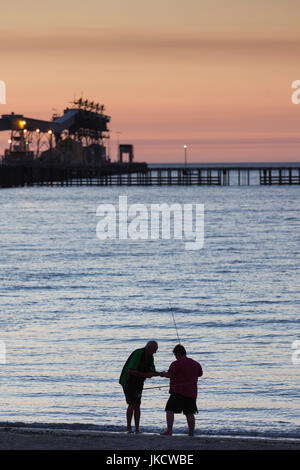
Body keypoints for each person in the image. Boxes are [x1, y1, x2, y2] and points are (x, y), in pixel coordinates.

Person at [119, 340, 162, 433]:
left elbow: (152, 371)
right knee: (131, 404)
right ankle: (129, 428)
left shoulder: (151, 357)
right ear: (148, 347)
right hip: (128, 381)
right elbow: (130, 370)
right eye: (154, 350)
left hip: (139, 383)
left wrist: (161, 374)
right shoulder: (138, 353)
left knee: (137, 405)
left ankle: (137, 428)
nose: (155, 352)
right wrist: (145, 375)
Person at [160, 344, 203, 436]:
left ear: (178, 353)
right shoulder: (195, 363)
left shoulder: (176, 363)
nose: (175, 357)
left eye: (175, 355)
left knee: (169, 410)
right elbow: (200, 374)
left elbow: (169, 374)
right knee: (189, 413)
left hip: (178, 391)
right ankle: (191, 433)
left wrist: (162, 374)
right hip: (191, 392)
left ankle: (169, 431)